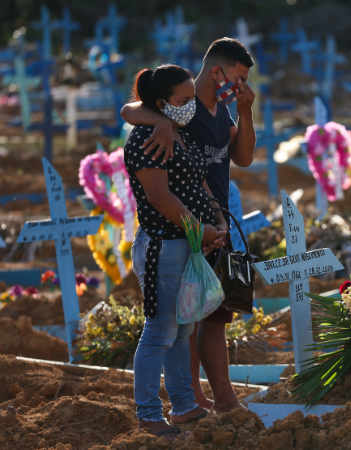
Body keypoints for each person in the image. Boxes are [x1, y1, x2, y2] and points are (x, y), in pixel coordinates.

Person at [121, 38, 256, 413]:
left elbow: (242, 157)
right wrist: (160, 118)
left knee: (210, 317)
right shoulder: (181, 105)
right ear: (218, 72)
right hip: (180, 232)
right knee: (184, 323)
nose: (240, 86)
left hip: (212, 227)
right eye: (238, 78)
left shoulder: (218, 113)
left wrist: (245, 112)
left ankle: (207, 401)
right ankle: (188, 401)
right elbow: (130, 109)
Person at [125, 64, 229, 440]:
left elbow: (199, 180)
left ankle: (184, 405)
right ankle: (149, 415)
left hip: (190, 242)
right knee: (159, 331)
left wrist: (216, 220)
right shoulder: (144, 139)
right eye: (183, 100)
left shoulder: (177, 133)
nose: (190, 107)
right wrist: (196, 229)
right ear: (161, 103)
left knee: (183, 329)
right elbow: (158, 195)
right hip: (163, 245)